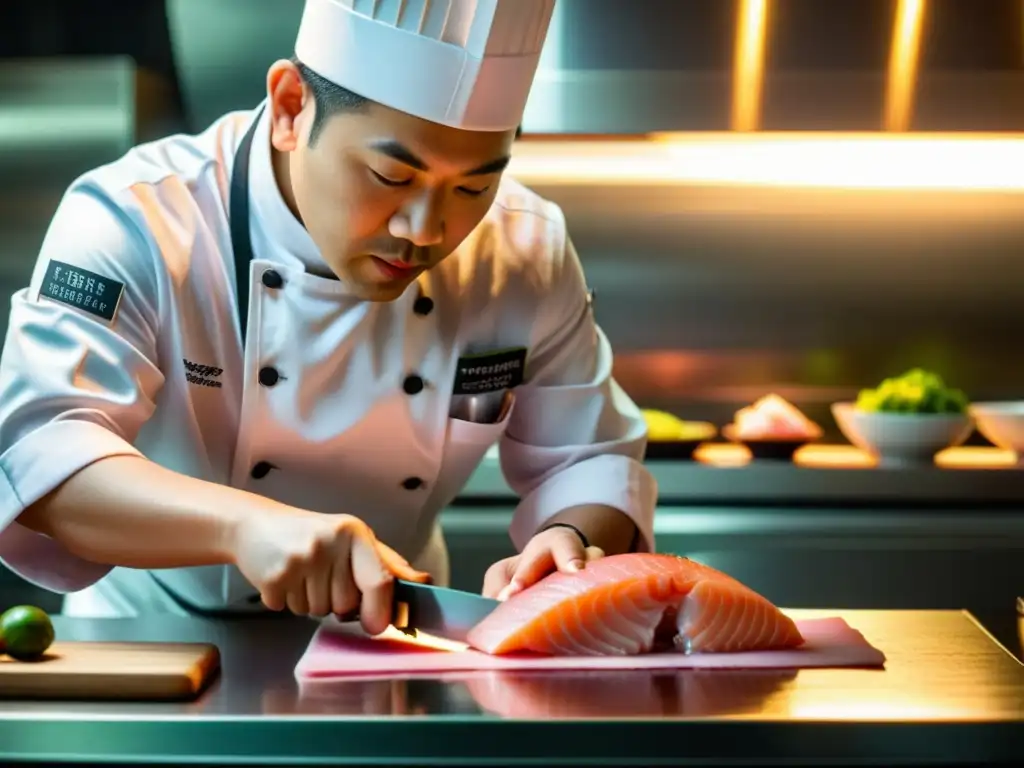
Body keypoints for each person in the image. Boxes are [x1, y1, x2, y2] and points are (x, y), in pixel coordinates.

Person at [0, 0, 656, 631]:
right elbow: (47, 454)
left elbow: (588, 459)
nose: (426, 230)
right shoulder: (138, 218)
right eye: (391, 177)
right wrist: (247, 526)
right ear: (291, 108)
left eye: (472, 187)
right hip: (153, 640)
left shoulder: (524, 249)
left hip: (395, 642)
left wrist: (569, 537)